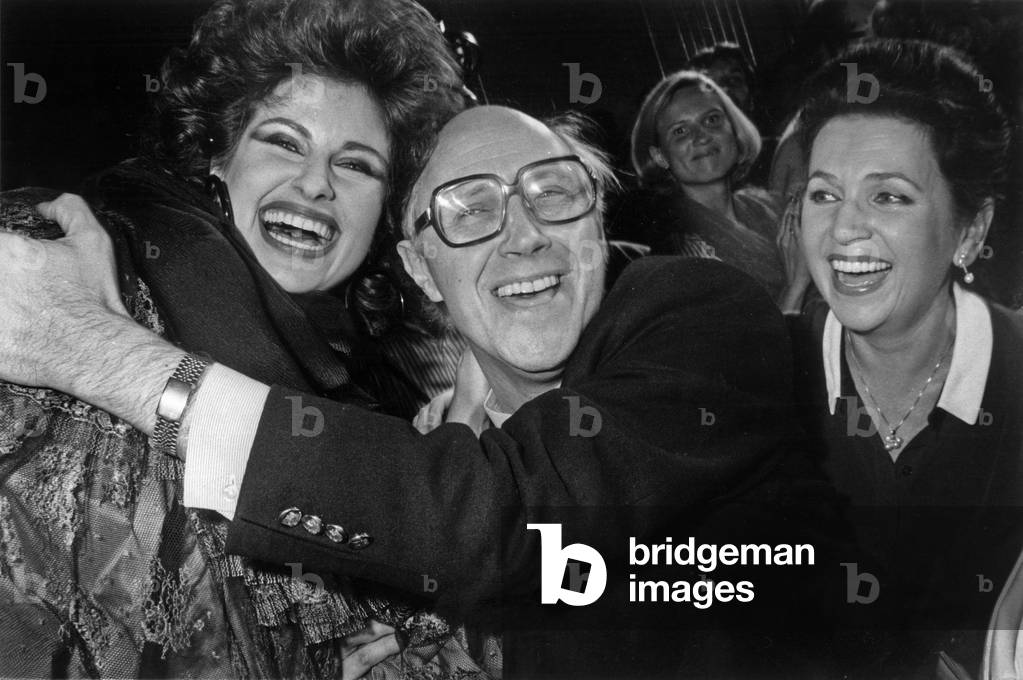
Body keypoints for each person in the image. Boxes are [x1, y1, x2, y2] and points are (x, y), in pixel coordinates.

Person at [0, 102, 850, 677]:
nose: (521, 236)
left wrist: (114, 360)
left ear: (598, 221)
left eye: (555, 195)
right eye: (468, 210)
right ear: (419, 264)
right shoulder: (417, 428)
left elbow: (509, 521)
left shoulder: (699, 313)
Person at [0, 0, 480, 678]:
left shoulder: (378, 399)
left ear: (388, 212)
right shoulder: (65, 264)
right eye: (284, 141)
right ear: (218, 158)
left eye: (358, 166)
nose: (315, 183)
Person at [785, 39, 1022, 677]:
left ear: (970, 231)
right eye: (824, 194)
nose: (843, 230)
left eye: (888, 197)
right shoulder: (752, 377)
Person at [628, 70, 796, 308]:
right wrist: (796, 287)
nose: (701, 137)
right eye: (680, 131)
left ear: (734, 131)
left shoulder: (769, 207)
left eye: (712, 120)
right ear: (659, 156)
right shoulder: (677, 247)